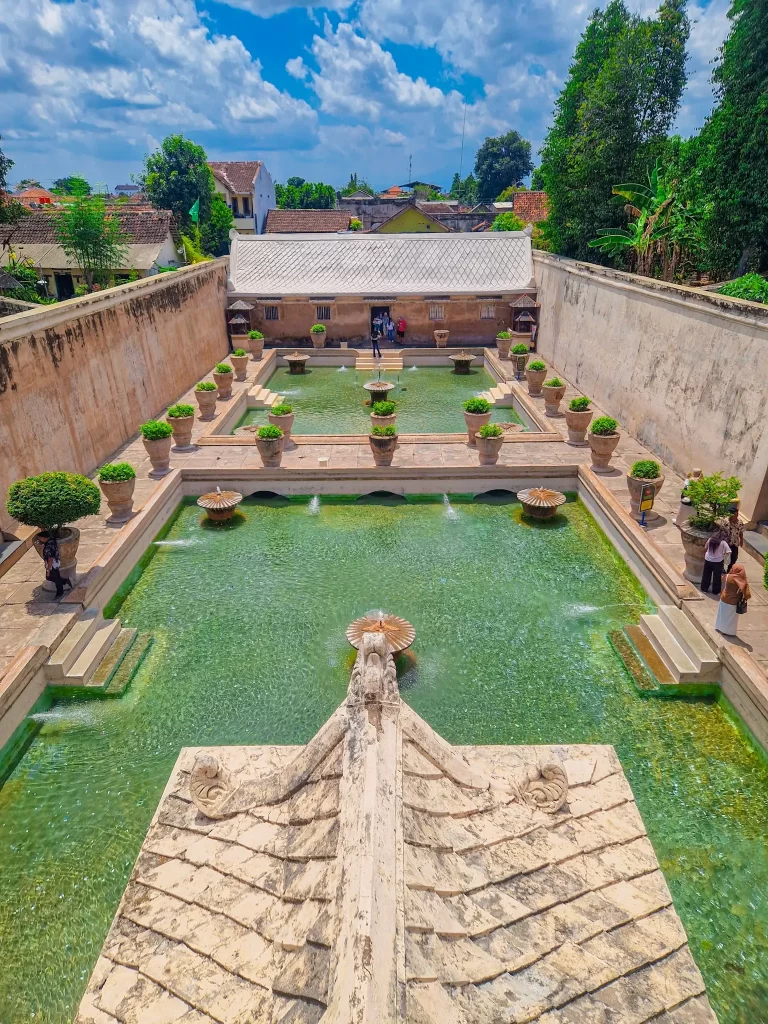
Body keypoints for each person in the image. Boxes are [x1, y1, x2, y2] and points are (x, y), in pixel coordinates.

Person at [715, 563, 751, 635]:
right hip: (734, 601)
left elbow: (723, 582)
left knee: (722, 615)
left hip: (724, 598)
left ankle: (719, 627)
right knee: (731, 618)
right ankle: (728, 631)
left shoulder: (728, 576)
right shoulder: (742, 582)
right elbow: (747, 594)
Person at [41, 532, 72, 598]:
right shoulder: (51, 541)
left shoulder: (48, 547)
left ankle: (60, 593)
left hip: (53, 565)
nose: (40, 539)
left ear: (44, 538)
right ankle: (65, 581)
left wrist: (48, 569)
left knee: (55, 579)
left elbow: (50, 559)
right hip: (55, 563)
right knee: (50, 577)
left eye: (40, 538)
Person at [701, 529, 730, 595]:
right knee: (716, 576)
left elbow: (706, 547)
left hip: (708, 559)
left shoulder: (710, 539)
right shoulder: (723, 542)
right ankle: (716, 591)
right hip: (718, 561)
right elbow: (728, 551)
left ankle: (704, 588)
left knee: (706, 574)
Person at [725, 503, 744, 570]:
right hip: (726, 542)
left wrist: (741, 540)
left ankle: (729, 570)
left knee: (734, 558)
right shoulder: (726, 521)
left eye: (737, 514)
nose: (737, 515)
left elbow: (741, 532)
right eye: (735, 514)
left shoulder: (740, 522)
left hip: (735, 543)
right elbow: (722, 531)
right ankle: (721, 570)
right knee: (723, 557)